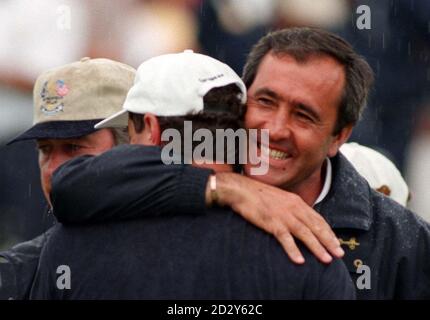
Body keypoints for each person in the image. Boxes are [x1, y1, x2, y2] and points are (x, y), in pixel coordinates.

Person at [49, 28, 430, 299]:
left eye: (304, 115)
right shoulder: (202, 168)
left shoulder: (400, 239)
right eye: (265, 102)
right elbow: (72, 183)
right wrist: (227, 188)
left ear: (340, 136)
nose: (276, 129)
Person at [0, 57, 136, 299]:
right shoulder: (16, 274)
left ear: (133, 143)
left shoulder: (205, 244)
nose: (52, 169)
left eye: (74, 147)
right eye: (45, 149)